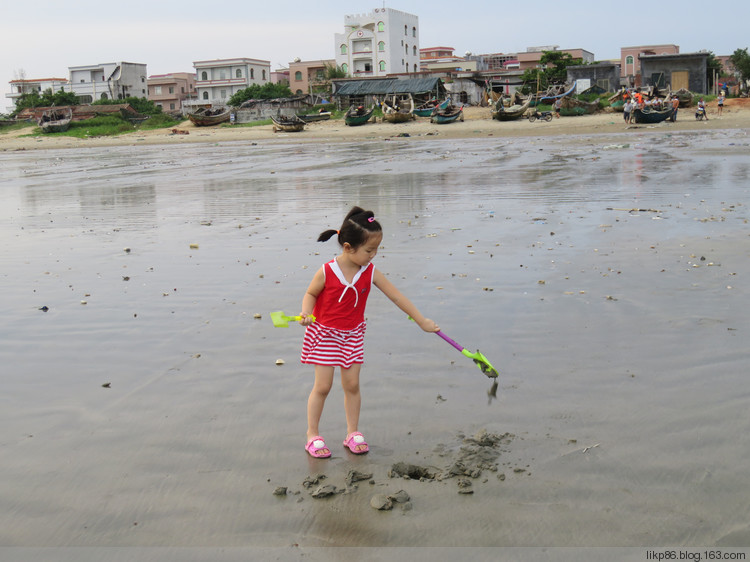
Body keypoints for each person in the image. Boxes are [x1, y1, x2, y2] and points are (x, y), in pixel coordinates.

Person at [299, 206, 439, 458]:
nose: (373, 255)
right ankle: (312, 435)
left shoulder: (370, 271)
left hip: (352, 334)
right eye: (369, 250)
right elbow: (310, 294)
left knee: (352, 384)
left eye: (377, 249)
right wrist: (306, 313)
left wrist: (421, 321)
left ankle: (353, 432)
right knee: (323, 386)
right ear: (348, 247)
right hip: (325, 334)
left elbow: (396, 296)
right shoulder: (327, 271)